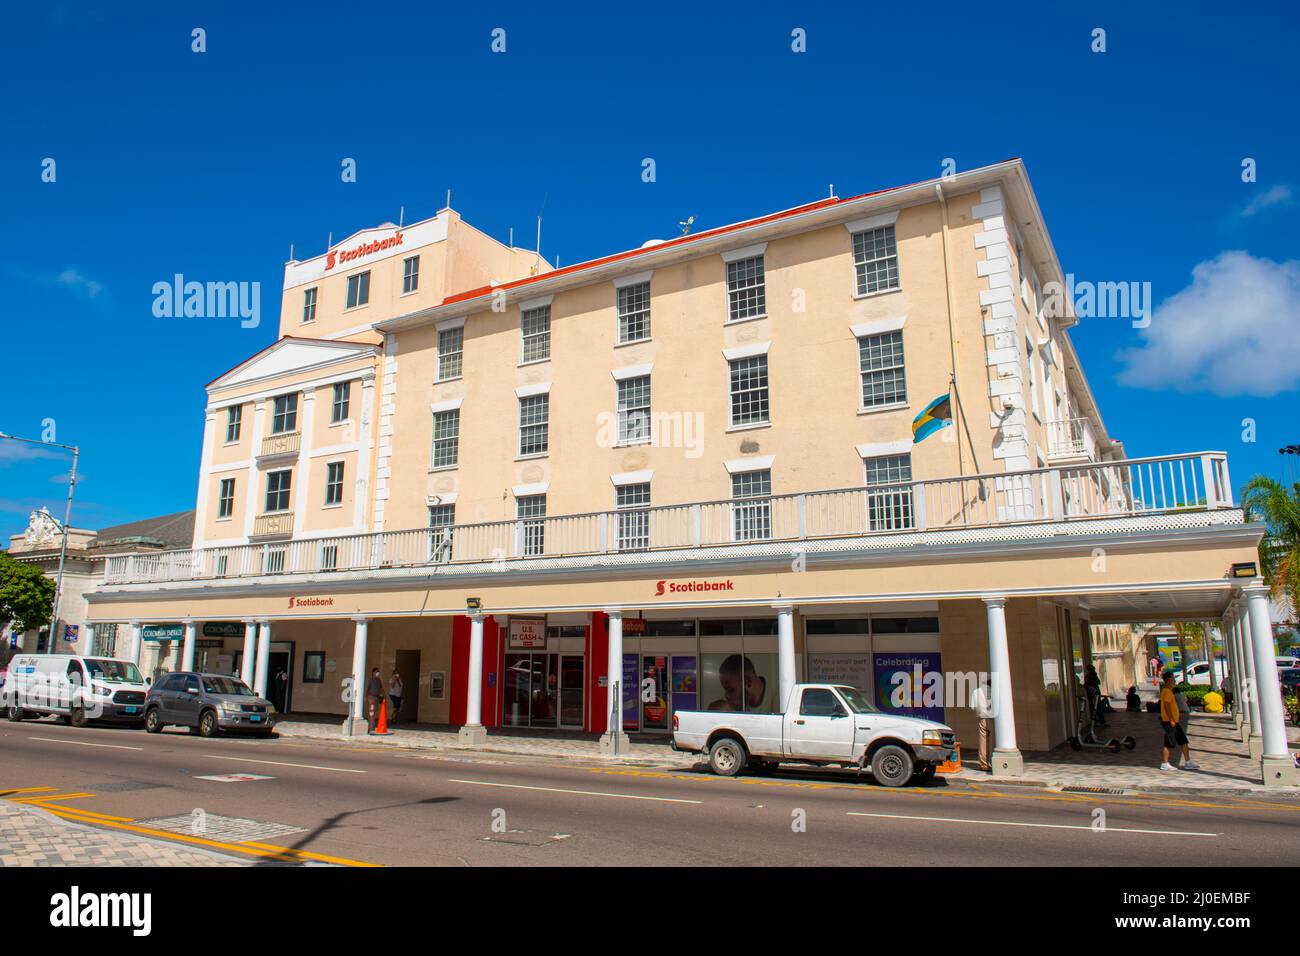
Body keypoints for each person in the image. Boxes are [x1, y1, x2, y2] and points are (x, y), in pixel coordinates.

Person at [1159, 671, 1199, 771]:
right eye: (1173, 679)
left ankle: (1188, 762)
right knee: (1168, 742)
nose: (1175, 681)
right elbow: (1167, 706)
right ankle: (1164, 763)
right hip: (1169, 722)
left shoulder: (1168, 691)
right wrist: (1172, 720)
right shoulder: (1167, 692)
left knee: (1183, 741)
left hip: (1173, 722)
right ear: (1169, 680)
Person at [971, 677, 995, 772]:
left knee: (983, 742)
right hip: (993, 718)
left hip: (982, 718)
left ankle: (983, 764)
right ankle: (993, 762)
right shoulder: (993, 691)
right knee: (994, 742)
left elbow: (973, 707)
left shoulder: (976, 692)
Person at [364, 666, 384, 732]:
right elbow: (366, 688)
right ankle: (371, 727)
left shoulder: (379, 680)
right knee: (371, 712)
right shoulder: (370, 679)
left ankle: (371, 725)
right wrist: (365, 697)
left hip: (377, 697)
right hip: (371, 697)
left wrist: (383, 696)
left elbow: (381, 688)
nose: (378, 673)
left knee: (374, 712)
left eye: (378, 672)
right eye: (376, 671)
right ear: (373, 672)